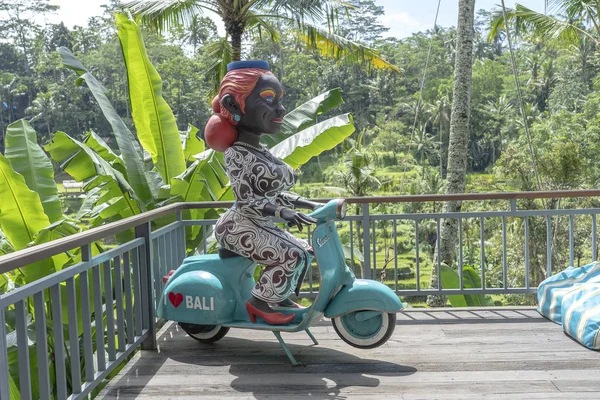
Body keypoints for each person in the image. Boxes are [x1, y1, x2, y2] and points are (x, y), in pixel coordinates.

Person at [206, 60, 321, 325]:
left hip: (259, 222)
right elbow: (247, 202)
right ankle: (259, 302)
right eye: (269, 100)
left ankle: (278, 296)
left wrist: (308, 204)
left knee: (305, 249)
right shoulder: (236, 153)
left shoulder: (260, 151)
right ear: (234, 106)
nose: (280, 109)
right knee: (291, 254)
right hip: (238, 225)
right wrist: (282, 212)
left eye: (280, 100)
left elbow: (273, 194)